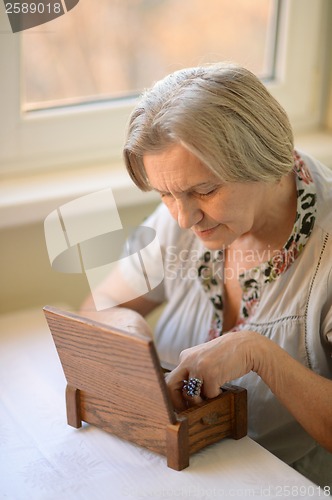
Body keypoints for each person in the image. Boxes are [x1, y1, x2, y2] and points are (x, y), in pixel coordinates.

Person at [81, 62, 332, 488]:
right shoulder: (185, 216)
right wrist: (130, 336)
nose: (183, 218)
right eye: (165, 194)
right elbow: (98, 308)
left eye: (205, 191)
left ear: (267, 161)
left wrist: (259, 353)